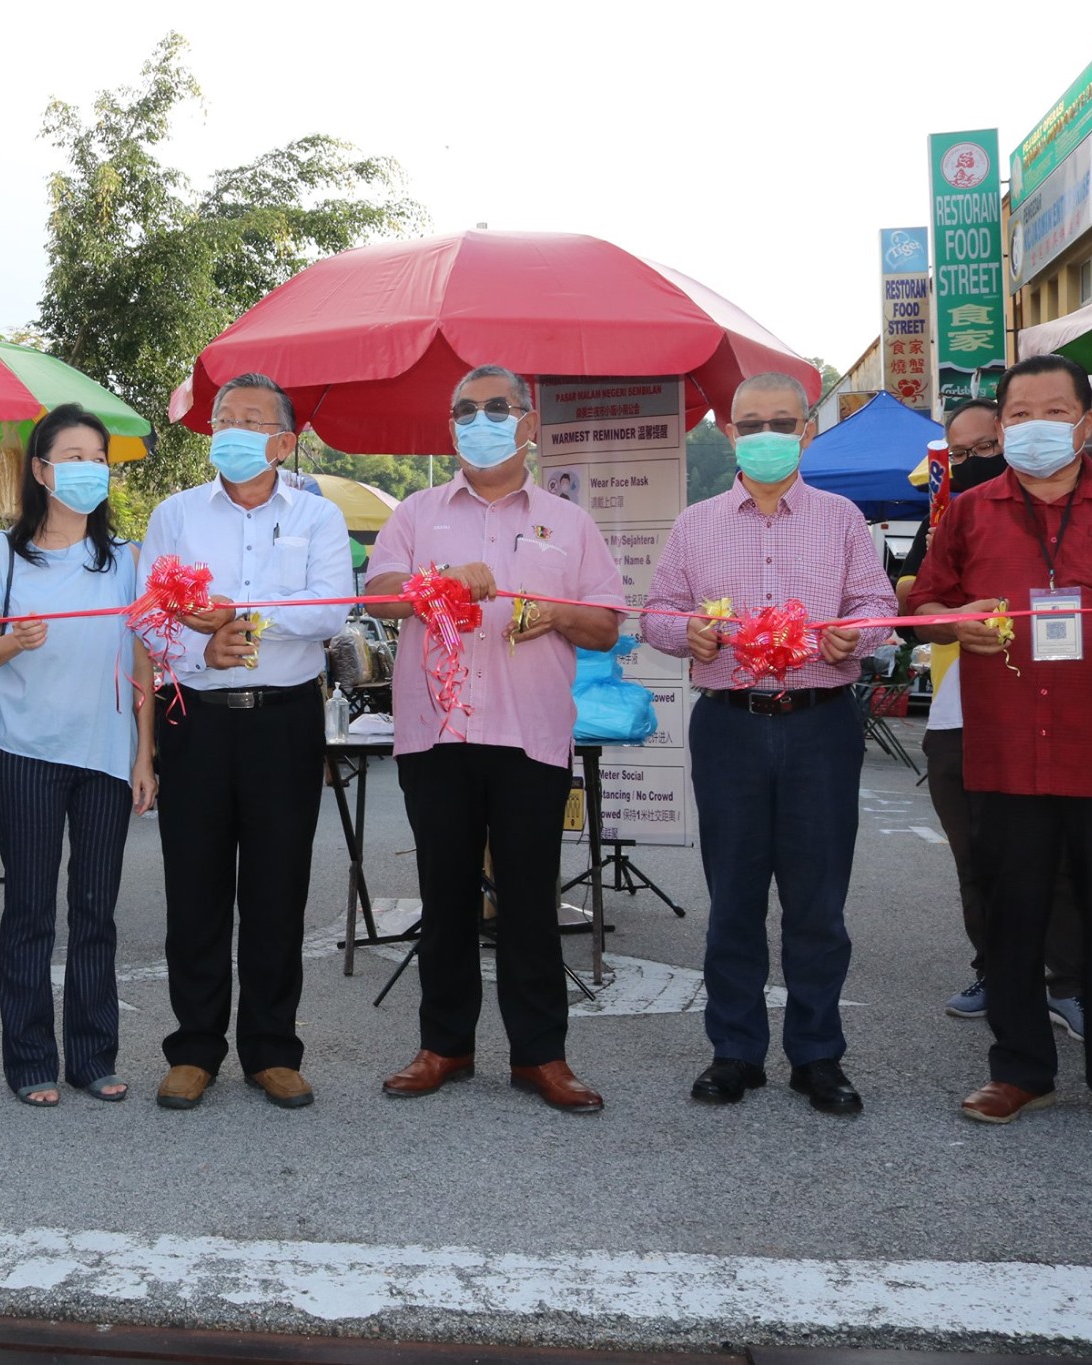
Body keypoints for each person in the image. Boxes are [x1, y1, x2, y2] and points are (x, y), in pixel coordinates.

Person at [910, 354, 1092, 1142]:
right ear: (1001, 426)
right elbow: (923, 599)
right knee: (1013, 913)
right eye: (1019, 414)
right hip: (1008, 746)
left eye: (1053, 411)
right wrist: (954, 621)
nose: (1034, 427)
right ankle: (1019, 1068)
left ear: (1085, 425)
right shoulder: (971, 511)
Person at [362, 366, 625, 1112]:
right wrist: (435, 582)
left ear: (529, 424)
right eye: (465, 409)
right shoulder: (417, 512)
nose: (480, 420)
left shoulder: (568, 523)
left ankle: (540, 1055)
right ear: (452, 427)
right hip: (436, 733)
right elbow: (377, 597)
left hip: (528, 733)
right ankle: (444, 1044)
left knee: (529, 900)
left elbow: (606, 621)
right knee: (444, 896)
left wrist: (556, 613)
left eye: (496, 408)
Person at [643, 372, 896, 1115]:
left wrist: (863, 634)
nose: (764, 436)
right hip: (728, 723)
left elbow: (879, 604)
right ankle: (735, 1050)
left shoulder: (843, 519)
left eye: (780, 422)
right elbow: (656, 609)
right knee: (733, 898)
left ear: (807, 430)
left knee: (818, 901)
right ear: (729, 433)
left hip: (821, 720)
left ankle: (817, 1054)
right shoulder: (696, 524)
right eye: (749, 424)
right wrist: (679, 630)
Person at [138, 372, 352, 1111]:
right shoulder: (175, 515)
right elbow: (147, 616)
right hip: (194, 715)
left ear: (284, 441)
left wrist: (238, 622)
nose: (229, 428)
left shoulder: (317, 518)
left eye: (250, 418)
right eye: (223, 417)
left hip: (284, 717)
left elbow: (329, 607)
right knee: (193, 885)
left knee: (277, 885)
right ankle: (194, 1047)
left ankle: (272, 1048)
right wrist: (203, 649)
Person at [0, 406, 157, 1107]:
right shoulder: (3, 556)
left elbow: (143, 656)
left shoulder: (127, 560)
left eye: (97, 457)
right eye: (71, 456)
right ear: (41, 472)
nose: (87, 469)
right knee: (30, 910)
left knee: (95, 910)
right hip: (27, 753)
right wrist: (13, 641)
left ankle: (92, 1054)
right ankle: (29, 1059)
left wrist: (145, 751)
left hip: (106, 756)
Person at [895, 401, 1083, 1032]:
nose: (975, 463)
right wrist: (948, 610)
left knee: (1059, 854)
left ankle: (1071, 982)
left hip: (1065, 708)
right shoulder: (954, 517)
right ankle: (996, 972)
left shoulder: (1084, 506)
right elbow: (911, 599)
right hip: (962, 710)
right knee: (976, 854)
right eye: (962, 454)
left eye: (985, 448)